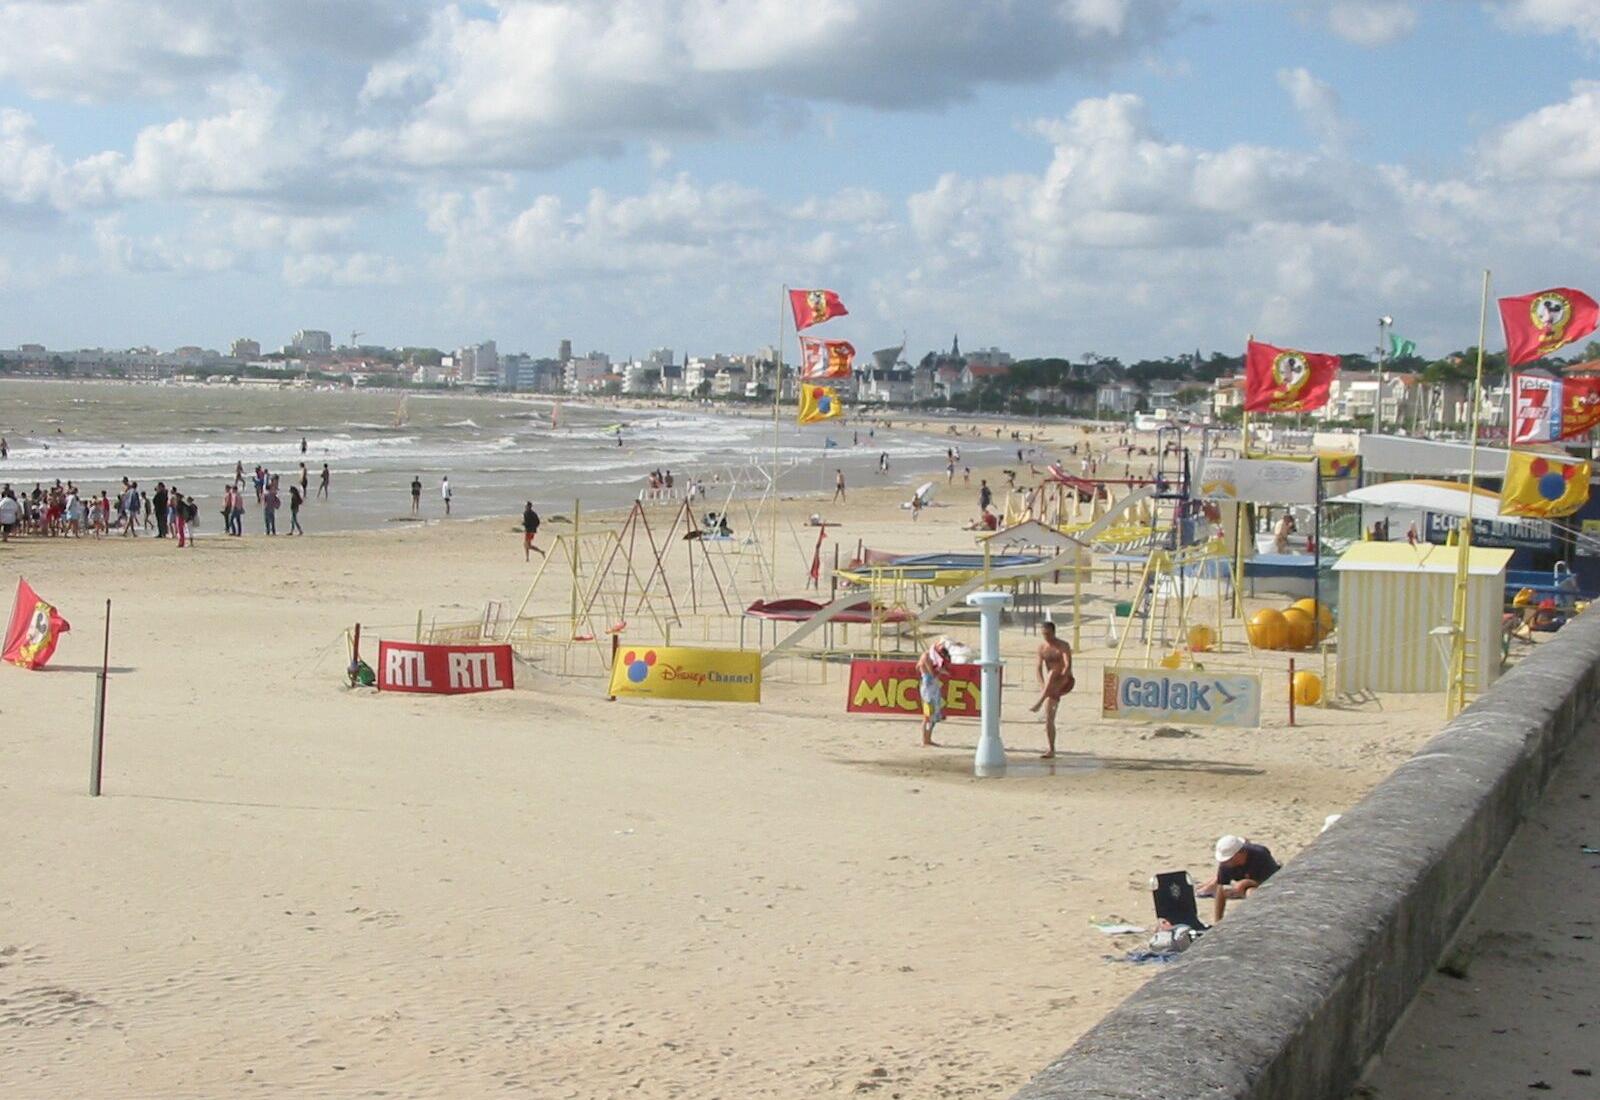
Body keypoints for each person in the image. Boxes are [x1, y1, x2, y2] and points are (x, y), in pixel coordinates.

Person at [1198, 835, 1280, 923]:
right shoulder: (1226, 865)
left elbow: (1275, 881)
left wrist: (1246, 883)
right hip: (1245, 883)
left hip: (1264, 885)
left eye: (1229, 859)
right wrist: (1218, 920)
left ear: (1240, 853)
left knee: (1251, 892)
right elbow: (1221, 889)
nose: (1226, 863)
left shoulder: (1260, 855)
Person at [1029, 621, 1074, 758]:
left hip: (1064, 680)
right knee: (1049, 717)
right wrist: (1043, 685)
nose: (1046, 637)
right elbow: (1038, 667)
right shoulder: (1042, 648)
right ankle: (1051, 749)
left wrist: (1059, 679)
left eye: (1048, 634)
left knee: (1054, 672)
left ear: (1054, 632)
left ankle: (1040, 700)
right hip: (1050, 685)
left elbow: (1067, 666)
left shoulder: (1063, 646)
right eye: (1043, 634)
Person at [916, 638, 953, 747]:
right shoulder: (927, 656)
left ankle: (928, 738)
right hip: (928, 687)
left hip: (933, 686)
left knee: (934, 715)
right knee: (928, 714)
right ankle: (925, 739)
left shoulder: (935, 658)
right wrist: (940, 670)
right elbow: (930, 672)